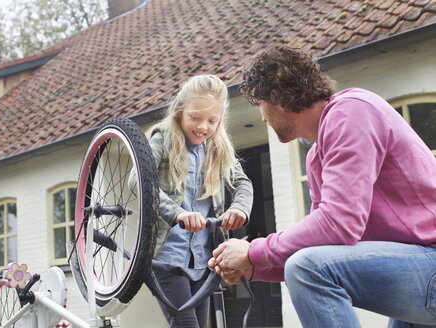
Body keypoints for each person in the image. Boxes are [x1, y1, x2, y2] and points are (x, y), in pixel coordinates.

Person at [208, 45, 436, 328]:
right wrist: (254, 268)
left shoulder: (352, 112)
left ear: (278, 98)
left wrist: (253, 251)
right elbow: (325, 241)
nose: (263, 118)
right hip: (417, 266)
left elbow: (338, 224)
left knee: (305, 267)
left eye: (261, 107)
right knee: (305, 264)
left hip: (429, 261)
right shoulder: (317, 157)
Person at [147, 74, 253, 328]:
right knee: (186, 323)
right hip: (166, 255)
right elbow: (137, 182)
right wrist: (178, 214)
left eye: (212, 121)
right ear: (180, 111)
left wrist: (240, 207)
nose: (203, 126)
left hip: (204, 257)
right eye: (195, 117)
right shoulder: (162, 138)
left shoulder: (217, 147)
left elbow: (242, 182)